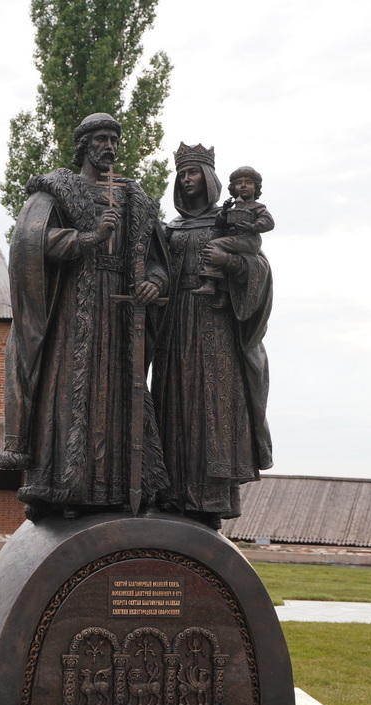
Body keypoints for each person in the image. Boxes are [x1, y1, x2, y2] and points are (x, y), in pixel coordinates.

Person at [0, 113, 170, 520]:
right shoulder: (57, 193)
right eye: (100, 139)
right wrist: (89, 238)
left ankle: (121, 489)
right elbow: (31, 244)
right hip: (75, 311)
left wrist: (155, 284)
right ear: (84, 146)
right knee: (71, 393)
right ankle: (65, 486)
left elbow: (158, 260)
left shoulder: (134, 199)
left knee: (120, 394)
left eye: (114, 138)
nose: (108, 145)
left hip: (123, 313)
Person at [151, 143, 273, 529]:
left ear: (210, 179)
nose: (187, 181)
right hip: (174, 327)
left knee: (212, 406)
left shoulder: (230, 223)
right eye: (182, 174)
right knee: (174, 401)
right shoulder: (170, 228)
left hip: (216, 326)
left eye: (194, 173)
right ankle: (171, 493)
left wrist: (230, 262)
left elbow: (260, 270)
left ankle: (209, 498)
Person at [195, 166, 274, 305]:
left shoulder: (258, 207)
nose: (243, 186)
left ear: (256, 187)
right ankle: (224, 297)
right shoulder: (233, 207)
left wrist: (253, 227)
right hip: (235, 240)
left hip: (248, 240)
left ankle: (210, 281)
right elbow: (219, 223)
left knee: (214, 245)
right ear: (233, 188)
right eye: (239, 183)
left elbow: (269, 222)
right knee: (226, 267)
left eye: (248, 182)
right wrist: (225, 211)